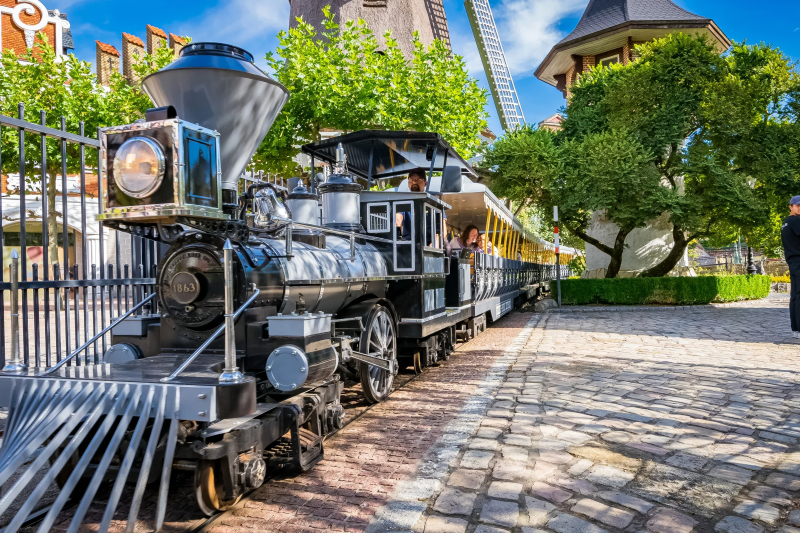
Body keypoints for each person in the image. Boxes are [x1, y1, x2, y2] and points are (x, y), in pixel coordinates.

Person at [781, 196, 800, 339]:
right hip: (799, 260)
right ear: (791, 207)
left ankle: (795, 328)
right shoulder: (796, 221)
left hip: (792, 260)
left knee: (795, 295)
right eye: (798, 206)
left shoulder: (786, 222)